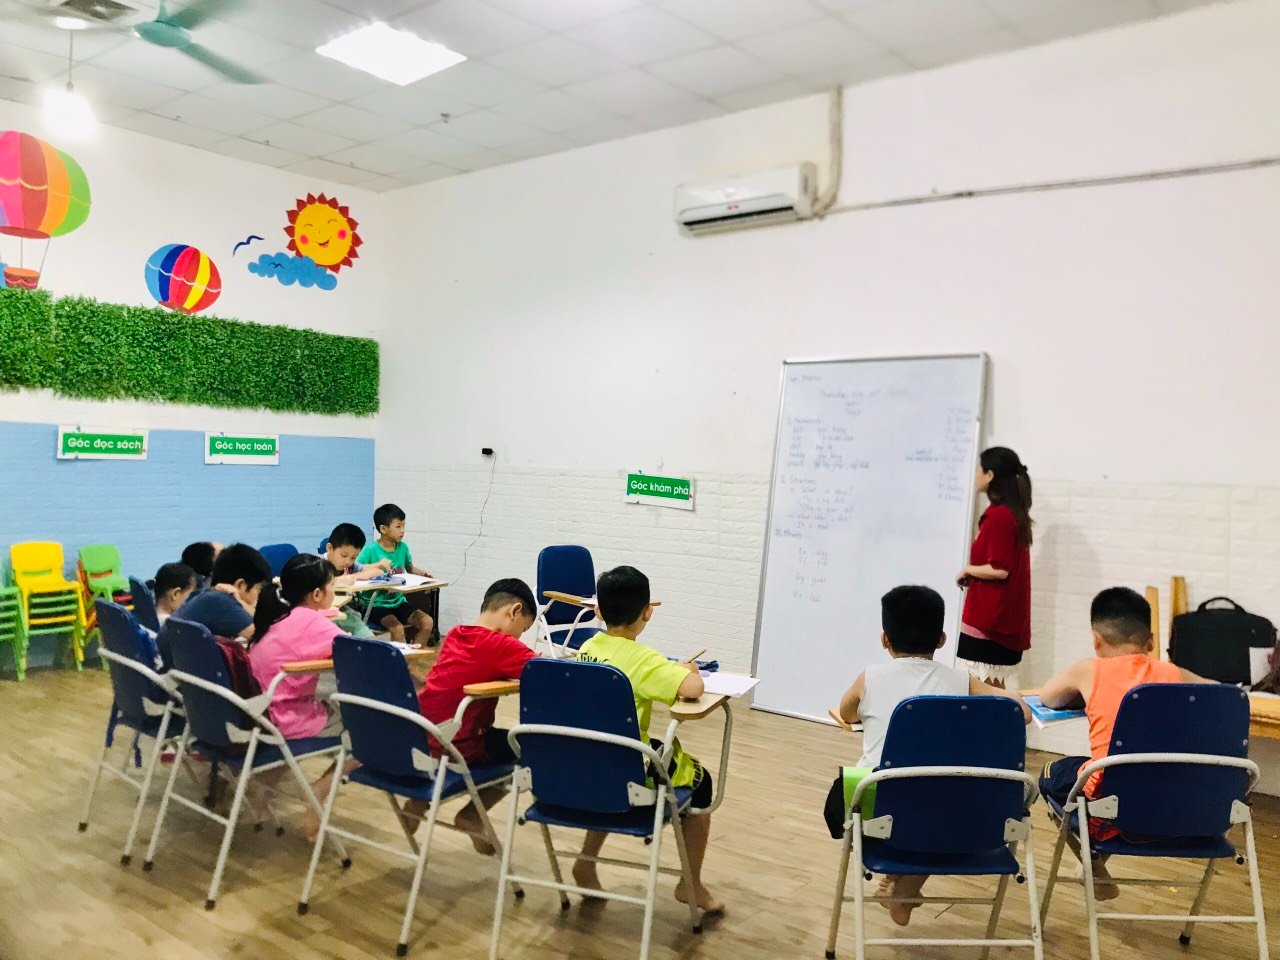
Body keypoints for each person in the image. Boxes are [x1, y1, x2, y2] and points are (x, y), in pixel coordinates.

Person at [829, 585, 1030, 925]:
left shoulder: (871, 677)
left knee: (893, 794)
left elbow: (847, 713)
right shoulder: (961, 680)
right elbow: (1020, 712)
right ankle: (904, 886)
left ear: (884, 639)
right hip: (954, 816)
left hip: (882, 812)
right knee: (941, 792)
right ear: (941, 640)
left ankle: (901, 882)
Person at [1037, 586, 1211, 899]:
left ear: (1096, 639)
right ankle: (1095, 859)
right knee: (1124, 778)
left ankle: (1094, 866)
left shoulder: (1089, 669)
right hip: (1176, 802)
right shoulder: (1173, 673)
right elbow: (1226, 694)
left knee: (1052, 775)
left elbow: (1048, 697)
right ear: (1151, 643)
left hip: (1115, 804)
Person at [573, 565, 722, 914]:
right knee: (701, 782)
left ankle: (585, 861)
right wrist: (688, 671)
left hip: (583, 762)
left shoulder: (587, 648)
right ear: (647, 612)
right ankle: (690, 883)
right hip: (627, 769)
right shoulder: (643, 660)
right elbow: (692, 689)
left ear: (598, 611)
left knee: (608, 772)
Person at [409, 578, 539, 852]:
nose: (520, 637)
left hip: (423, 738)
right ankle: (472, 814)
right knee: (534, 750)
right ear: (514, 611)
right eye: (523, 629)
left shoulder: (457, 634)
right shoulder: (501, 644)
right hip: (460, 746)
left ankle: (418, 803)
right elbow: (547, 674)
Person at [247, 553, 353, 837]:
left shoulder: (278, 615)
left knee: (328, 700)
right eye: (332, 587)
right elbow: (356, 654)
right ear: (317, 594)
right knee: (368, 730)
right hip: (289, 719)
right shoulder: (312, 622)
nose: (334, 592)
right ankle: (321, 789)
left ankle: (262, 788)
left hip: (261, 715)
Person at [956, 447, 1033, 689]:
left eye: (979, 469)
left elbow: (1000, 569)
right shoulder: (1011, 513)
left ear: (990, 475)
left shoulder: (1001, 516)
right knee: (993, 690)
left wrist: (969, 570)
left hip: (991, 620)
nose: (975, 474)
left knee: (980, 690)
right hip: (998, 618)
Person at [356, 503, 435, 645]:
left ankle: (412, 657)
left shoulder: (403, 548)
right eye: (398, 526)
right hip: (376, 605)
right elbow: (355, 569)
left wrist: (424, 575)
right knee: (397, 629)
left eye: (404, 526)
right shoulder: (370, 550)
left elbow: (410, 568)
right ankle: (397, 659)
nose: (402, 530)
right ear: (383, 529)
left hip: (398, 602)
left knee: (427, 622)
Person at [172, 543, 273, 644]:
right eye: (259, 590)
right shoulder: (221, 600)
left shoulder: (206, 595)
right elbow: (268, 635)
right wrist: (241, 602)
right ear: (240, 585)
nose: (261, 596)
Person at [322, 522, 390, 640]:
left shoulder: (350, 567)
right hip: (325, 615)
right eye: (344, 555)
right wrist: (339, 580)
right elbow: (313, 585)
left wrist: (355, 576)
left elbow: (378, 572)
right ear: (330, 548)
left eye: (353, 557)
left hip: (349, 614)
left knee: (371, 643)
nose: (348, 561)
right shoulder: (317, 565)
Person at [152, 562, 196, 626]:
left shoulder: (142, 621)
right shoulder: (179, 629)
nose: (193, 601)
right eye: (191, 595)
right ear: (176, 594)